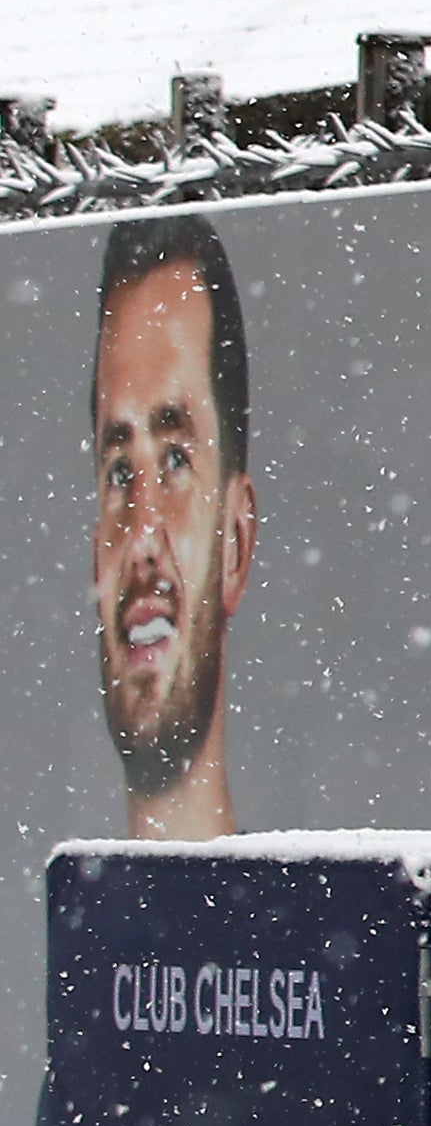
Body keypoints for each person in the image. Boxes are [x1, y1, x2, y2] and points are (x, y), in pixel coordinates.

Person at [89, 215, 253, 840]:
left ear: (235, 541)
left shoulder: (313, 931)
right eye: (119, 469)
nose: (143, 530)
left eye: (177, 459)